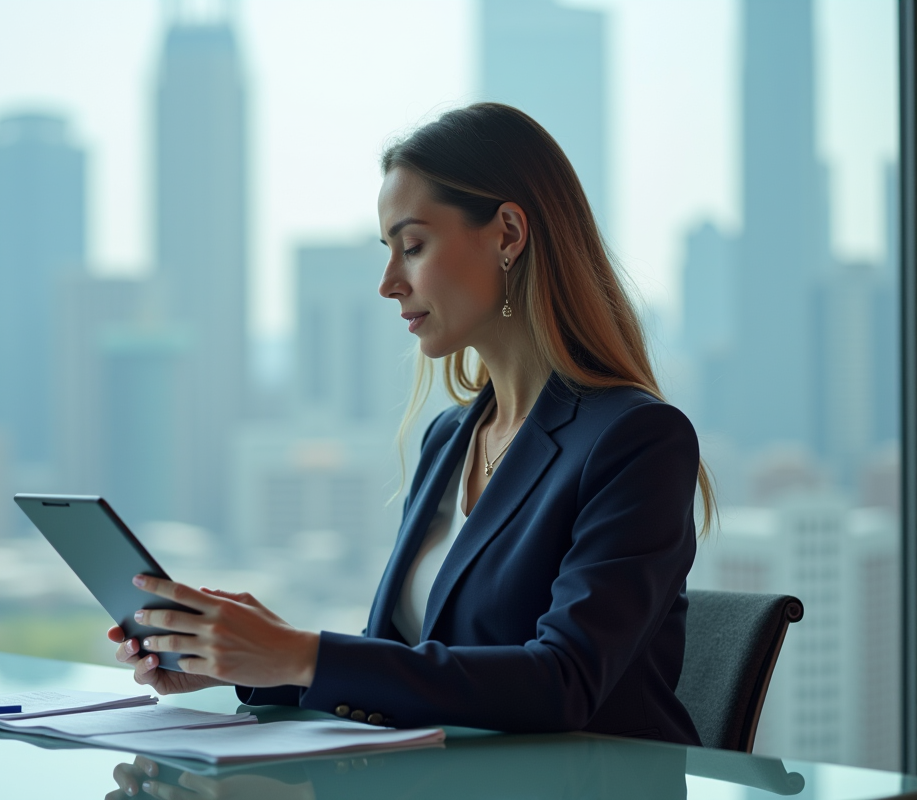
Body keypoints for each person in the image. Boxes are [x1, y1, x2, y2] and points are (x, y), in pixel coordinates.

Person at [107, 102, 710, 745]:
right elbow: (403, 664)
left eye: (413, 247)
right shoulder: (449, 439)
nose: (388, 282)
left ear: (508, 234)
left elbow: (564, 682)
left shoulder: (635, 440)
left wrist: (299, 653)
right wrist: (250, 662)